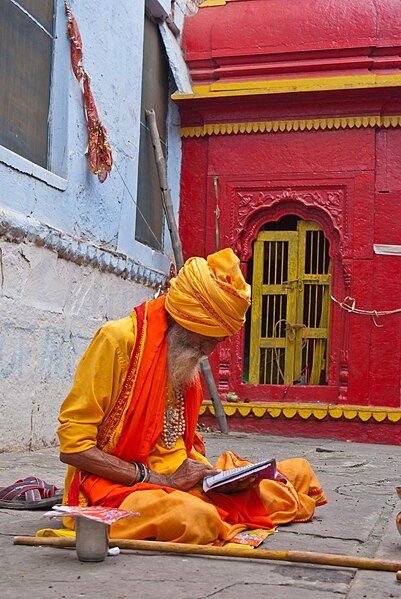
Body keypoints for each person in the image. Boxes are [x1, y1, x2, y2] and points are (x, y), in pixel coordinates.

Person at [58, 248, 326, 544]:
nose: (208, 352)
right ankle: (209, 508)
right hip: (121, 487)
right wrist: (162, 481)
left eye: (218, 341)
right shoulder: (118, 340)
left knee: (298, 472)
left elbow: (179, 444)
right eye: (207, 339)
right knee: (195, 518)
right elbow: (74, 449)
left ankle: (216, 495)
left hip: (185, 480)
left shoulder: (181, 356)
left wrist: (215, 478)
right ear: (185, 320)